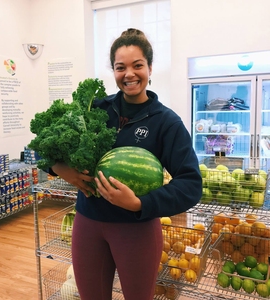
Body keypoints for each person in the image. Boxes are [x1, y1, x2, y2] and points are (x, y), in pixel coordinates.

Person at [50, 28, 202, 300]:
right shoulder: (93, 109)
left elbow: (190, 185)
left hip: (137, 230)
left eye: (138, 65)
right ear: (114, 71)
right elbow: (46, 144)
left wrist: (139, 204)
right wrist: (60, 169)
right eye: (121, 67)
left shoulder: (167, 123)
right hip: (88, 224)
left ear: (150, 68)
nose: (129, 74)